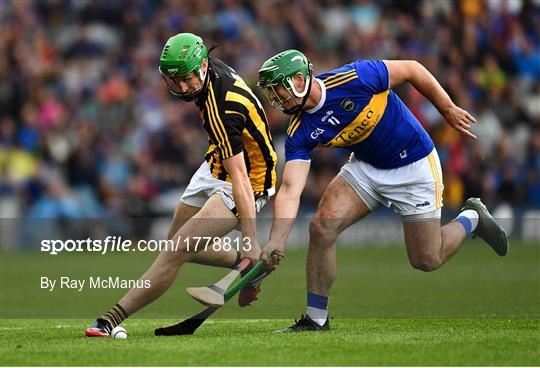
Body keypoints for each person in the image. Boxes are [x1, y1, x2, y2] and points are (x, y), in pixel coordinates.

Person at [256, 50, 509, 332]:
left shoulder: (357, 77)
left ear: (299, 80)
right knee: (321, 229)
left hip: (414, 165)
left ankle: (472, 216)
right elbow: (291, 189)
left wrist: (446, 108)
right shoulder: (299, 130)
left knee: (427, 259)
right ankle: (316, 319)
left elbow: (413, 68)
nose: (275, 99)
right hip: (367, 167)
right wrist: (277, 239)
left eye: (277, 89)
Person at [85, 33, 277, 336]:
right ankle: (248, 267)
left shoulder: (222, 107)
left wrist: (250, 238)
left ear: (202, 66)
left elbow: (240, 177)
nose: (183, 87)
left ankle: (109, 320)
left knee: (175, 250)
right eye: (175, 80)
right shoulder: (208, 71)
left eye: (187, 79)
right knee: (175, 244)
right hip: (218, 160)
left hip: (248, 178)